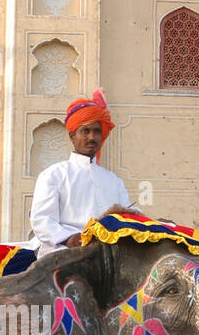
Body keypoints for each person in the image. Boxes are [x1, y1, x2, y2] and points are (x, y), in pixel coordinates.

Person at [29, 89, 131, 256]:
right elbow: (42, 220)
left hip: (107, 253)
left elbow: (129, 216)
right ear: (72, 136)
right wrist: (69, 238)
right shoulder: (53, 175)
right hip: (63, 251)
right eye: (85, 131)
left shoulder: (113, 181)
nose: (92, 137)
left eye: (97, 131)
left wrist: (159, 225)